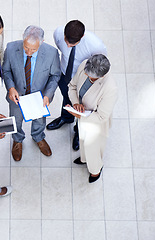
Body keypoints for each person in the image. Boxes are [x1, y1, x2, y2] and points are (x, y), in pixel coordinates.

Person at [46, 20, 107, 151]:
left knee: (82, 107)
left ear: (82, 37)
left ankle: (78, 131)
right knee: (66, 98)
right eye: (66, 41)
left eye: (72, 43)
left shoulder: (96, 46)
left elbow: (99, 67)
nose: (67, 45)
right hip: (65, 74)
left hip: (83, 79)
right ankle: (66, 118)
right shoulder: (58, 32)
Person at [2, 25, 61, 161]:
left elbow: (55, 76)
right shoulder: (11, 48)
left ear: (42, 42)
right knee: (16, 120)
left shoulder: (52, 53)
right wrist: (11, 87)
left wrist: (48, 94)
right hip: (17, 96)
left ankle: (38, 137)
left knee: (39, 120)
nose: (28, 52)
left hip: (39, 97)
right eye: (26, 48)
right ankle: (17, 140)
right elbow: (6, 71)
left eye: (33, 49)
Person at [66, 54, 117, 183]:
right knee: (83, 141)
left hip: (96, 123)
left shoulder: (110, 88)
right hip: (83, 115)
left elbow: (102, 116)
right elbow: (72, 86)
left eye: (92, 78)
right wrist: (75, 103)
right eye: (87, 74)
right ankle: (84, 159)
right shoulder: (85, 65)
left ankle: (95, 170)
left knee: (92, 147)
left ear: (102, 76)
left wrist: (80, 116)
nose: (88, 77)